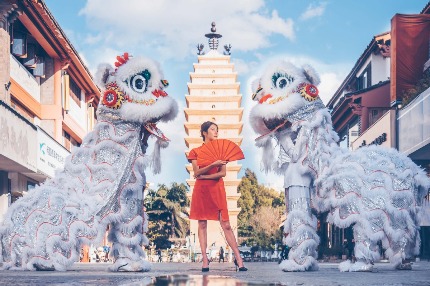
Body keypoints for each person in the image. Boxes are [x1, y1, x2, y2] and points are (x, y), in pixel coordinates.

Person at [187, 121, 247, 272]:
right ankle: (205, 260)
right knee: (202, 224)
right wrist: (212, 164)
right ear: (204, 133)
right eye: (212, 129)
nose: (216, 132)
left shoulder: (221, 150)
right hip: (201, 191)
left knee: (226, 223)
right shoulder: (195, 151)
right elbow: (196, 172)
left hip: (216, 188)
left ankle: (238, 258)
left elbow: (222, 173)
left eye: (217, 130)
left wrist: (207, 176)